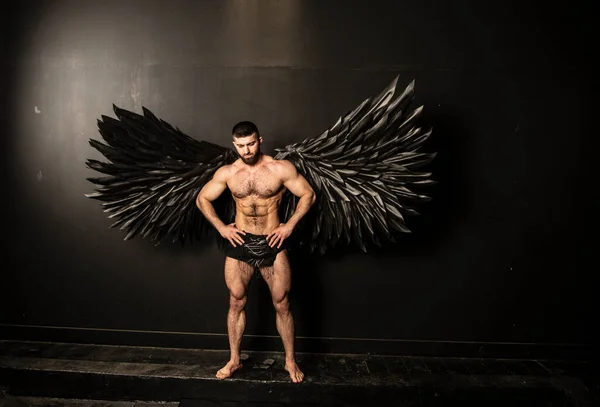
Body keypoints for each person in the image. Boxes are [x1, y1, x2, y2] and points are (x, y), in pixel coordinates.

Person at [195, 121, 316, 383]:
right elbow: (202, 198)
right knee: (236, 301)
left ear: (259, 140)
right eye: (240, 146)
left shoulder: (280, 168)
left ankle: (290, 362)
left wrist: (289, 227)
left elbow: (308, 194)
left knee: (282, 303)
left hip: (273, 241)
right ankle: (234, 360)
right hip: (240, 242)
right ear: (234, 144)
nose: (246, 150)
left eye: (250, 144)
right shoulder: (228, 172)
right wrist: (221, 228)